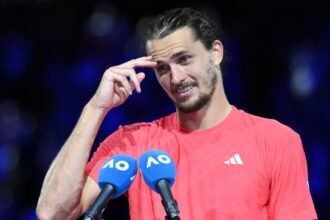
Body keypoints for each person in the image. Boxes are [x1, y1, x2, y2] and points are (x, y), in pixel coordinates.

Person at [36, 7, 318, 220]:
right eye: (162, 68)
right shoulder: (134, 144)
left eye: (184, 59)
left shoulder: (275, 140)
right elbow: (53, 213)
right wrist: (95, 108)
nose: (176, 77)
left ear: (215, 52)